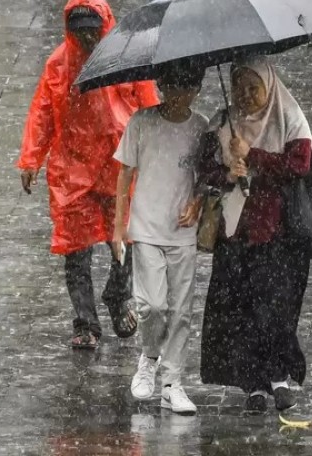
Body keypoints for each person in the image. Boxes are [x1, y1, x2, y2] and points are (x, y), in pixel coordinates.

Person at [17, 0, 160, 350]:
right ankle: (85, 323)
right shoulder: (59, 64)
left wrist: (155, 150)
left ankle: (118, 295)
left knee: (125, 237)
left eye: (92, 31)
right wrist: (31, 158)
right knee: (76, 249)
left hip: (118, 164)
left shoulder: (125, 59)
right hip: (73, 169)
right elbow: (42, 112)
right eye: (80, 32)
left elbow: (148, 103)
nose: (86, 39)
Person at [196, 57, 312, 413]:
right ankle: (253, 384)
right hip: (235, 232)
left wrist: (255, 156)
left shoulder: (289, 117)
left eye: (254, 88)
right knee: (241, 308)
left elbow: (300, 165)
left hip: (280, 232)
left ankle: (279, 376)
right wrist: (228, 173)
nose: (246, 96)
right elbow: (204, 169)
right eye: (239, 88)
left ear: (269, 86)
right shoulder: (223, 123)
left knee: (276, 306)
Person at [112, 63, 208, 415]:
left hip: (182, 232)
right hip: (147, 227)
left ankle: (172, 383)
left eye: (188, 88)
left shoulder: (201, 127)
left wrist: (197, 201)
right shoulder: (141, 122)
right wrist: (118, 226)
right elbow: (125, 172)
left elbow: (206, 174)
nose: (179, 95)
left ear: (197, 89)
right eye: (172, 87)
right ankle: (149, 355)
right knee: (152, 305)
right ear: (161, 86)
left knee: (181, 310)